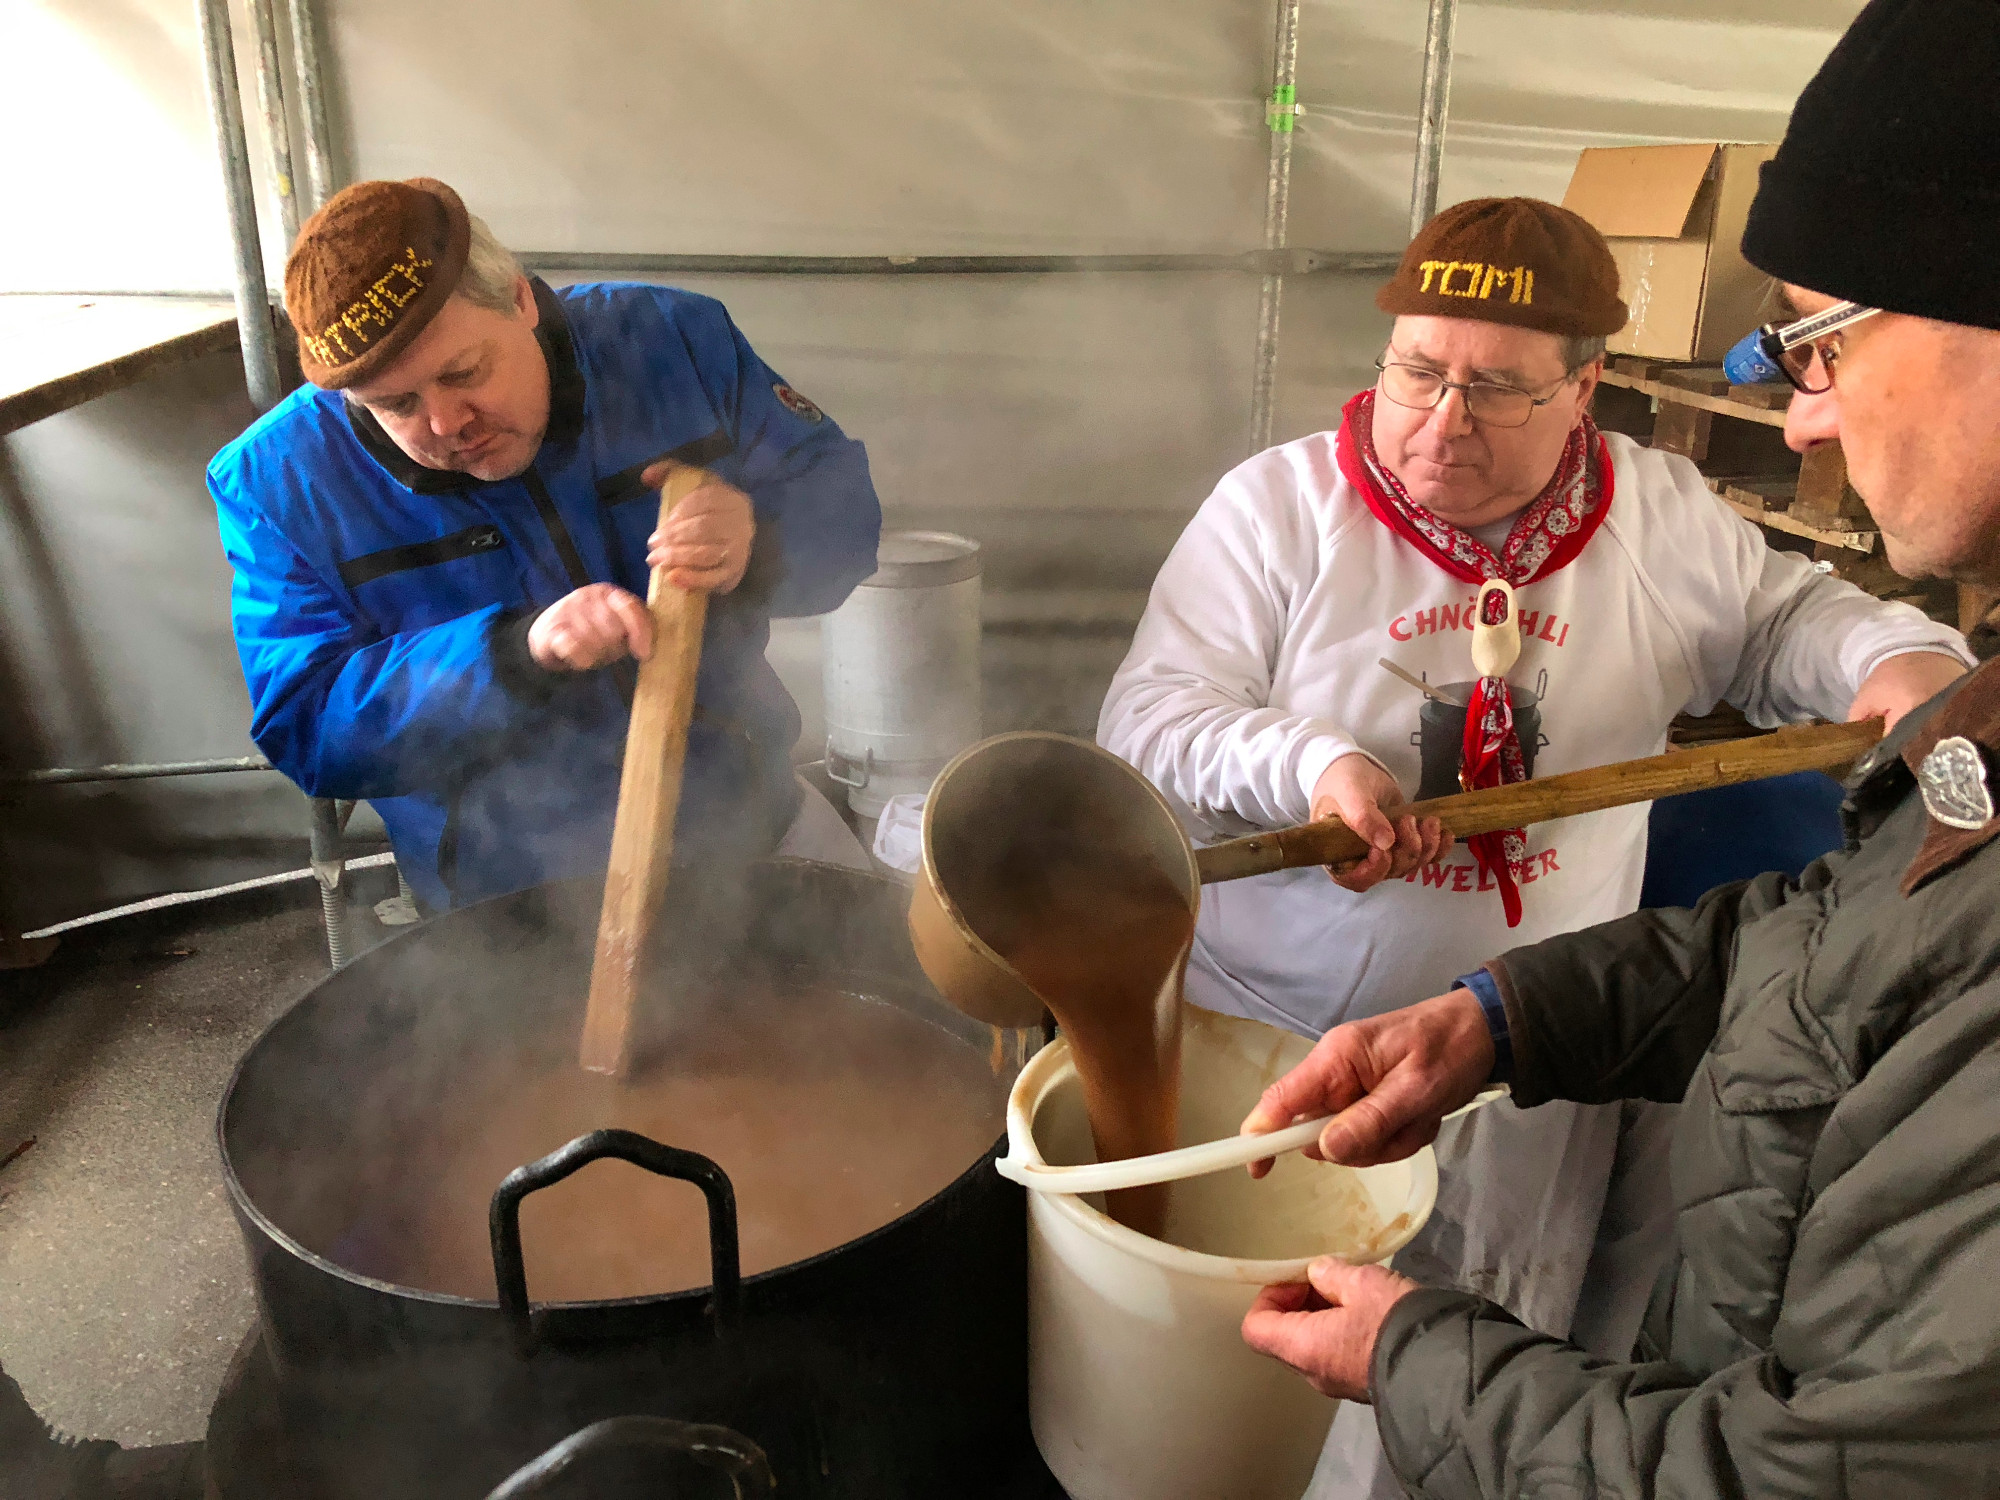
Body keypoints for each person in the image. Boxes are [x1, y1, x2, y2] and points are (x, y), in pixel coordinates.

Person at [1237, 0, 2000, 1491]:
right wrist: (1500, 1020)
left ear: (1585, 389)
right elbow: (1851, 946)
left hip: (1544, 1152)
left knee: (1485, 1322)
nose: (1802, 425)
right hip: (1368, 1036)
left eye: (1818, 343)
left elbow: (1806, 1470)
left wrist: (1884, 653)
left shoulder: (1648, 512)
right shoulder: (1282, 507)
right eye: (1415, 370)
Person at [208, 179, 880, 911]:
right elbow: (308, 725)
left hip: (756, 825)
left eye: (463, 373)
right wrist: (511, 655)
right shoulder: (279, 483)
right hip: (509, 902)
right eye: (396, 404)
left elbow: (844, 510)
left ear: (519, 299)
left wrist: (760, 538)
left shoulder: (673, 343)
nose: (446, 424)